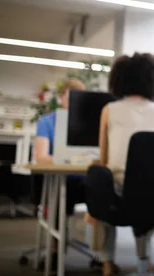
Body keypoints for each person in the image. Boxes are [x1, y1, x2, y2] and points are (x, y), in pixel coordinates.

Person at [97, 53, 154, 276]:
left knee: (103, 186)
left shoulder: (109, 110)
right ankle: (143, 259)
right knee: (148, 200)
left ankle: (107, 261)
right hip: (153, 193)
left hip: (119, 190)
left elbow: (103, 159)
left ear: (119, 79)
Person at [33, 78, 87, 269]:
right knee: (58, 194)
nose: (73, 104)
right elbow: (41, 157)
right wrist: (69, 160)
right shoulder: (47, 122)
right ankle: (55, 251)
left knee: (104, 189)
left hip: (83, 181)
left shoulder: (86, 124)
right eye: (69, 98)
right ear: (61, 97)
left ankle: (105, 256)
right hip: (58, 180)